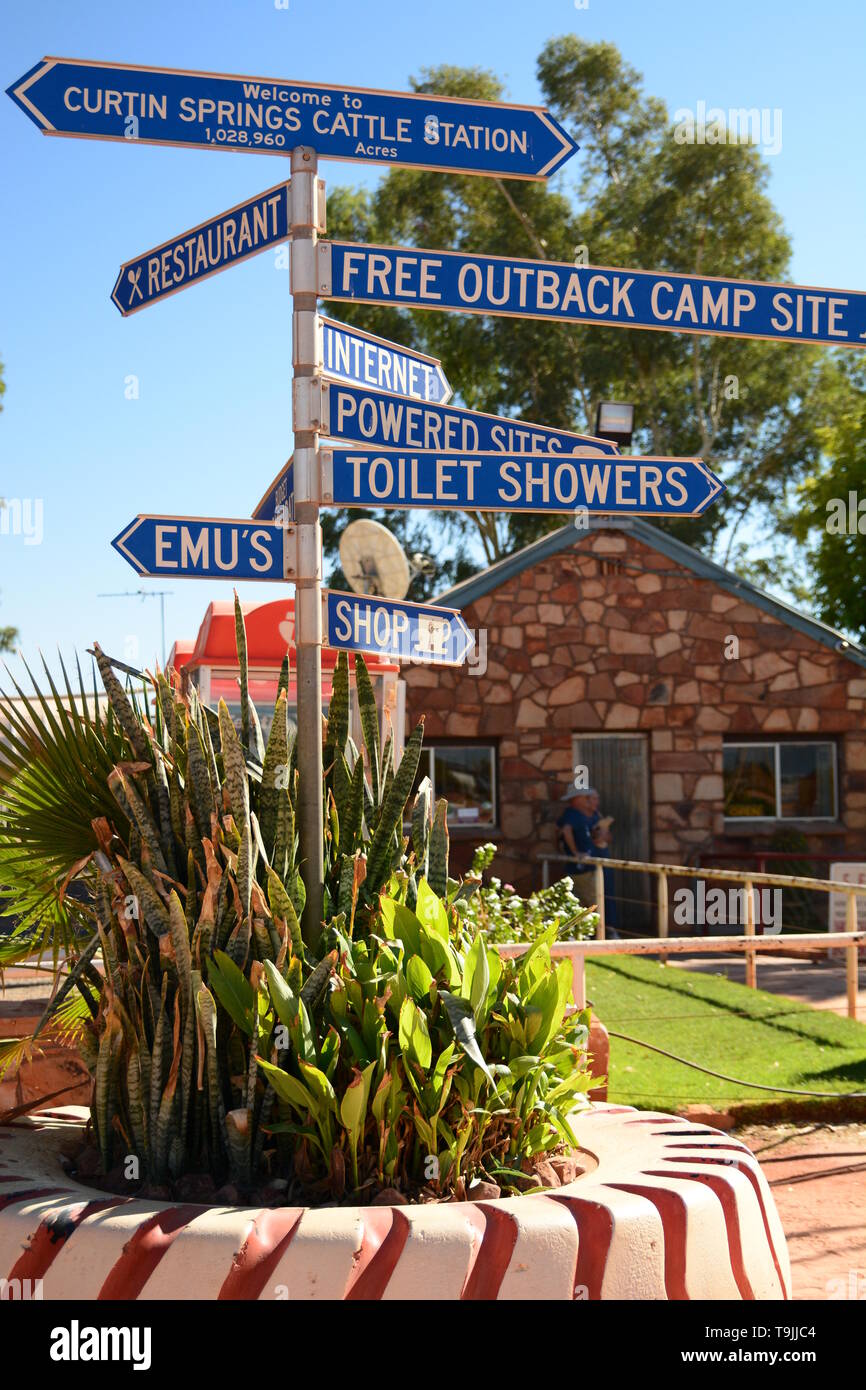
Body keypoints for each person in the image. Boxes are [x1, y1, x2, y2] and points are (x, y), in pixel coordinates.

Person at [556, 787, 620, 934]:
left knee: (603, 897)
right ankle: (594, 933)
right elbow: (565, 831)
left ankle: (604, 931)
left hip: (599, 864)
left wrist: (601, 836)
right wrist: (575, 852)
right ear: (577, 799)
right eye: (587, 798)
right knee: (589, 899)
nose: (590, 801)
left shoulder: (595, 815)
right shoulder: (572, 814)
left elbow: (606, 837)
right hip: (584, 868)